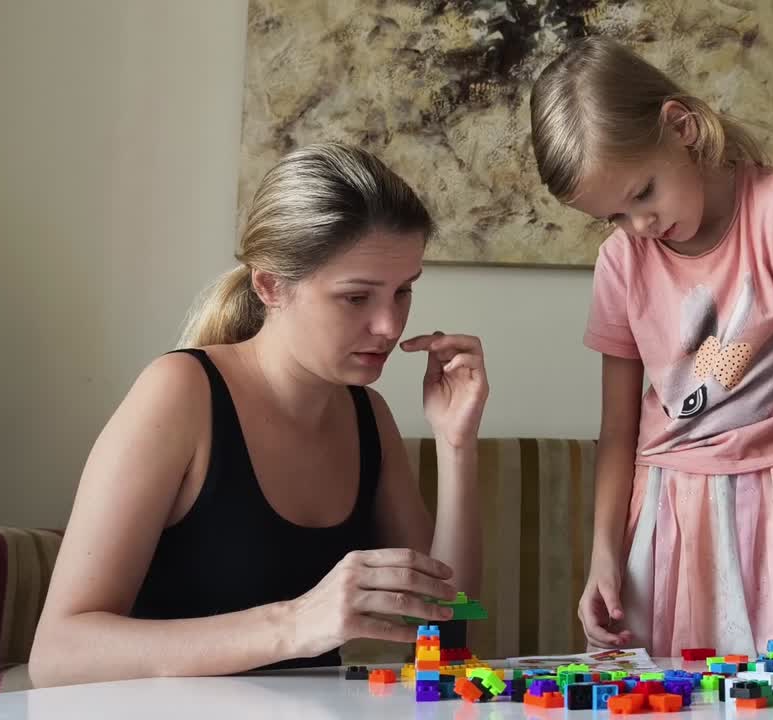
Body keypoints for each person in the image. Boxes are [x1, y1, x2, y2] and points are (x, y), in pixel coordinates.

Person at [28, 142, 487, 687]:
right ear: (270, 285)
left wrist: (456, 444)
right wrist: (294, 623)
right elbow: (58, 655)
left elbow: (443, 625)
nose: (389, 325)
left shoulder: (369, 416)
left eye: (403, 291)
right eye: (356, 297)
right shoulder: (181, 393)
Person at [529, 37, 773, 660]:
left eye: (643, 192)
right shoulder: (622, 262)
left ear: (681, 127)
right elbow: (619, 431)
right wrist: (604, 555)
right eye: (612, 217)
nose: (638, 226)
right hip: (667, 516)